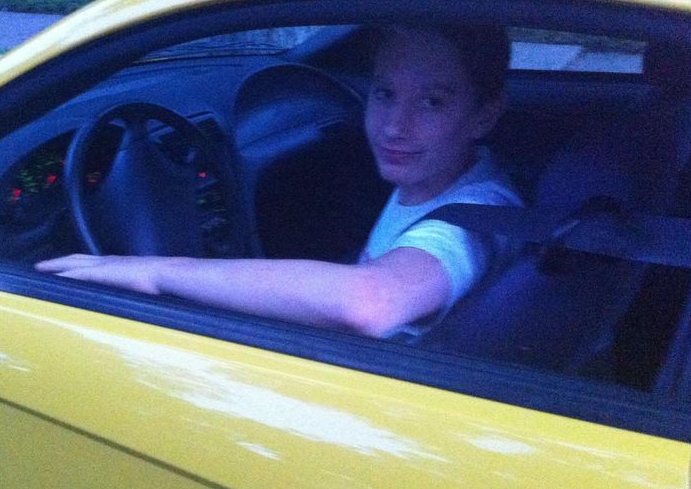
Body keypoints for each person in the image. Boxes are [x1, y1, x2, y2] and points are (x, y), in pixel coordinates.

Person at [36, 25, 522, 338]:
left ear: (484, 115)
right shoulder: (439, 177)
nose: (395, 126)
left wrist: (157, 272)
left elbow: (372, 301)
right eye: (385, 94)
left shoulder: (477, 217)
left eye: (432, 102)